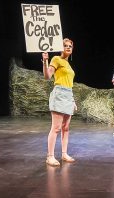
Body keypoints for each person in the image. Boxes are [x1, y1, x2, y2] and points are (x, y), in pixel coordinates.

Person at [42, 38, 77, 166]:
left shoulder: (68, 64)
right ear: (60, 47)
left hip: (68, 95)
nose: (68, 47)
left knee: (66, 128)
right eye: (65, 45)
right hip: (59, 94)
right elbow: (47, 76)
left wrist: (73, 100)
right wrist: (45, 61)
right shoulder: (56, 59)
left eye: (70, 46)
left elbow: (70, 84)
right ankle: (50, 156)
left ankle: (64, 153)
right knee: (56, 128)